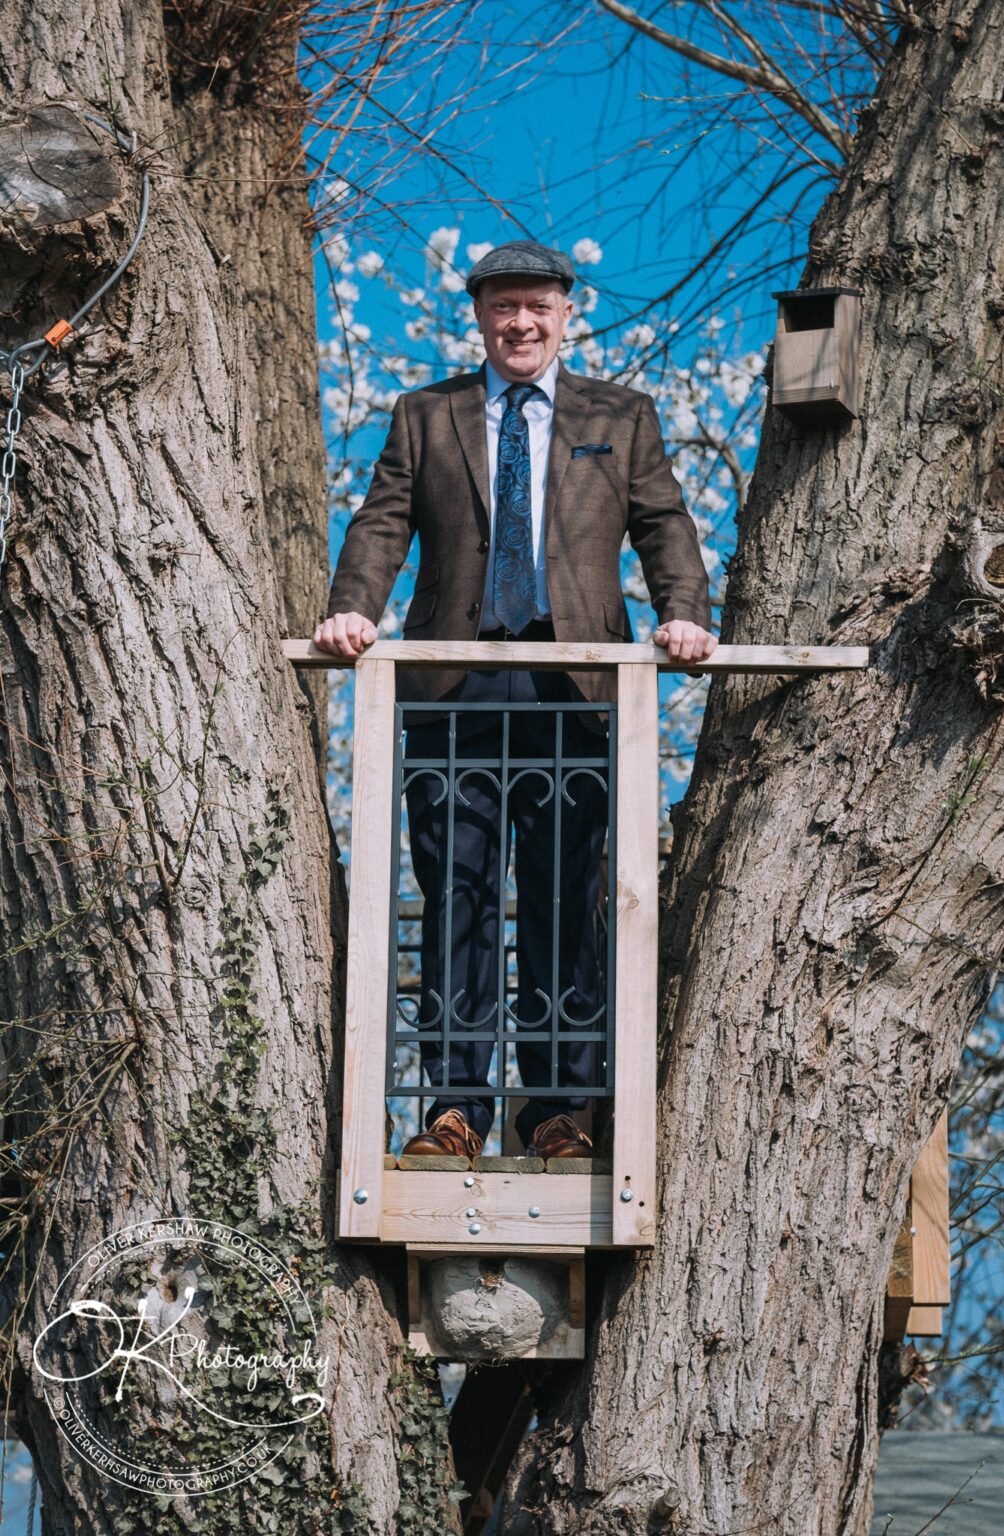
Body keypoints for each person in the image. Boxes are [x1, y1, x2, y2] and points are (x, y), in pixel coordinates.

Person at [315, 239, 717, 1162]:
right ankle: (456, 1111)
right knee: (457, 894)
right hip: (455, 683)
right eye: (504, 308)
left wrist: (685, 616)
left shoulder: (622, 415)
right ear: (480, 317)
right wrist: (350, 609)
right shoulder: (429, 413)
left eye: (537, 307)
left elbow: (663, 524)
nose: (521, 324)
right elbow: (383, 522)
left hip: (575, 688)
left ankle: (557, 1114)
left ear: (565, 312)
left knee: (566, 897)